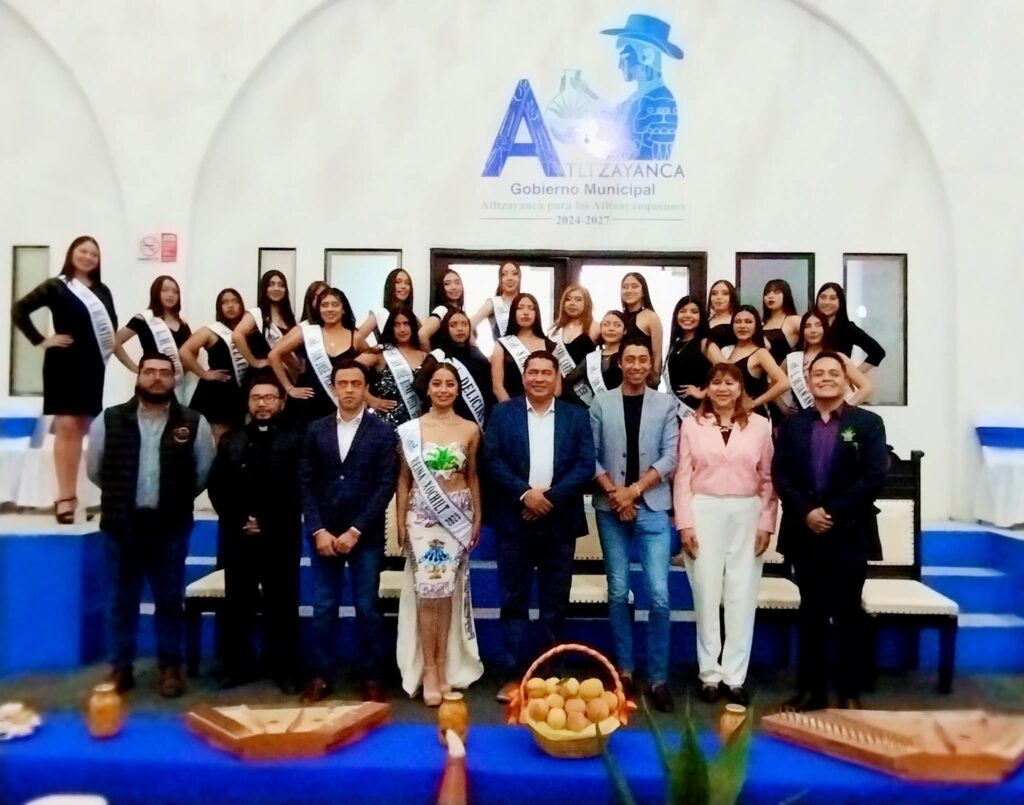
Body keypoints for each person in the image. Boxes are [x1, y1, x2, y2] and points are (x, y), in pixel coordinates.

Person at [85, 353, 216, 697]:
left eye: (164, 373)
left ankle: (170, 669)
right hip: (122, 524)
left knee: (169, 600)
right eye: (150, 371)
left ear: (174, 380)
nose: (156, 378)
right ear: (139, 376)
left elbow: (202, 472)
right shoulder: (109, 419)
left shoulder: (194, 422)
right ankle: (120, 668)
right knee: (120, 601)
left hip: (169, 527)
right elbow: (95, 470)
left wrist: (172, 500)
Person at [772, 351, 889, 711]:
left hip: (849, 532)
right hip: (805, 533)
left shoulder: (868, 423)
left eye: (833, 373)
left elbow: (874, 477)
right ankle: (811, 691)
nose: (825, 378)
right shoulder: (792, 425)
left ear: (846, 379)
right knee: (811, 613)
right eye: (818, 373)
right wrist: (807, 512)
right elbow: (781, 475)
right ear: (808, 381)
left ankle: (848, 692)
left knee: (848, 612)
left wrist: (833, 512)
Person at [484, 351, 595, 701]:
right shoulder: (503, 413)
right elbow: (492, 460)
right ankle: (514, 674)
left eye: (547, 373)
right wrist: (525, 495)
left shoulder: (576, 416)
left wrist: (548, 498)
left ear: (556, 378)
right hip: (514, 519)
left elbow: (585, 464)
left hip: (559, 521)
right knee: (513, 600)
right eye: (533, 372)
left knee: (554, 602)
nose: (539, 379)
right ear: (524, 377)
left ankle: (549, 676)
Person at [673, 363, 777, 706]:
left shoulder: (760, 425)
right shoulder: (692, 424)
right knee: (706, 593)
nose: (722, 388)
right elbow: (682, 476)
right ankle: (709, 674)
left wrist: (766, 523)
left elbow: (768, 478)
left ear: (740, 388)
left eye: (730, 382)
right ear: (707, 388)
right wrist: (685, 523)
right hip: (703, 510)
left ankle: (734, 676)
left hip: (747, 512)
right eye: (716, 382)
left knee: (741, 595)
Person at [298, 360, 398, 703]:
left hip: (365, 535)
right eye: (343, 383)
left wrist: (356, 530)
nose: (350, 389)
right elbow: (305, 482)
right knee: (324, 606)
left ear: (365, 388)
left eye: (357, 383)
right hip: (323, 534)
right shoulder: (315, 430)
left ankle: (372, 677)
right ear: (333, 388)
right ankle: (320, 675)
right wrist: (318, 529)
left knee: (367, 608)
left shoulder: (382, 431)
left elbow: (385, 485)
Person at [590, 338, 678, 711]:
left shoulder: (665, 404)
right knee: (618, 592)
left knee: (658, 595)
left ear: (650, 364)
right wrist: (616, 494)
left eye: (643, 359)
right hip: (610, 508)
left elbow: (671, 456)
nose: (637, 365)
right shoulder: (601, 402)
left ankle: (657, 678)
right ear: (620, 363)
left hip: (653, 507)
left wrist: (634, 492)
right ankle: (623, 671)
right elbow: (590, 456)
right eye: (630, 359)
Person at [11, 235, 118, 524]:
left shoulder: (102, 290)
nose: (88, 257)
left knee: (83, 428)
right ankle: (65, 497)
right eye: (83, 251)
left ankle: (82, 495)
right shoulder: (56, 286)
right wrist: (41, 340)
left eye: (94, 253)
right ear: (72, 253)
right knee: (67, 426)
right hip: (64, 364)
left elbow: (112, 326)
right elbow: (19, 310)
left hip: (92, 365)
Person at [396, 362, 485, 705]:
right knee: (428, 593)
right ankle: (429, 670)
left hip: (457, 519)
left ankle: (445, 667)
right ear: (427, 388)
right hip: (421, 517)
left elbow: (472, 475)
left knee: (447, 593)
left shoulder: (470, 430)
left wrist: (477, 517)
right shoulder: (410, 430)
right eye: (437, 383)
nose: (444, 389)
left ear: (458, 389)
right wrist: (400, 521)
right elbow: (403, 480)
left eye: (450, 384)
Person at [208, 372, 303, 692]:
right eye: (256, 398)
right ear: (248, 402)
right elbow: (217, 487)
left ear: (282, 402)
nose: (263, 404)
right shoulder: (231, 439)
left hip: (280, 536)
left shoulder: (296, 439)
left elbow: (297, 489)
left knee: (282, 604)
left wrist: (265, 521)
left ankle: (284, 668)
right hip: (238, 536)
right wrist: (241, 520)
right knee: (238, 603)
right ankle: (237, 666)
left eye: (269, 398)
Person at [269, 287, 366, 423]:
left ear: (343, 309)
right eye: (324, 305)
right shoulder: (307, 332)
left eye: (335, 304)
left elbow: (369, 364)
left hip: (338, 404)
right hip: (307, 404)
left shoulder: (355, 337)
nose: (329, 309)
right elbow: (274, 355)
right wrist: (289, 388)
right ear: (318, 310)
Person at [179, 288, 248, 445]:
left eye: (235, 301)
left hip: (240, 390)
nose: (230, 306)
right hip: (218, 392)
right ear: (219, 307)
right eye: (225, 302)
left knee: (238, 439)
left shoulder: (247, 330)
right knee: (218, 440)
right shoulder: (211, 331)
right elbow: (184, 352)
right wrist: (204, 373)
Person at [113, 276, 192, 395]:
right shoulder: (144, 319)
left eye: (175, 292)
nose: (171, 295)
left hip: (175, 382)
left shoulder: (183, 324)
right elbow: (115, 342)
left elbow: (191, 352)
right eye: (165, 290)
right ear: (156, 292)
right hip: (150, 381)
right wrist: (134, 368)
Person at [417, 309, 494, 428]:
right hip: (449, 422)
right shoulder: (438, 356)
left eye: (464, 324)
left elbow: (489, 389)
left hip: (480, 422)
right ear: (445, 328)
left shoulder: (477, 354)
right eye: (453, 325)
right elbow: (419, 385)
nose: (460, 329)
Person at [785, 311, 874, 412]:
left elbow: (866, 387)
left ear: (826, 328)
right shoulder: (793, 358)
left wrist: (843, 411)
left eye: (819, 325)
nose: (813, 330)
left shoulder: (838, 357)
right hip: (803, 417)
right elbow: (775, 383)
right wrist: (785, 410)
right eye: (807, 326)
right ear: (802, 331)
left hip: (833, 419)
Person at [358, 306, 426, 429]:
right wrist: (369, 398)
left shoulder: (424, 356)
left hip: (415, 426)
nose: (402, 329)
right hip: (384, 426)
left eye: (406, 324)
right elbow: (347, 370)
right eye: (396, 325)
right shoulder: (381, 352)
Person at [723, 305, 790, 420]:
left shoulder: (760, 353)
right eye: (738, 322)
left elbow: (784, 383)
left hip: (752, 417)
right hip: (727, 415)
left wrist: (754, 403)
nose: (742, 326)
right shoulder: (725, 350)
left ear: (756, 326)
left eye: (748, 322)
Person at [664, 295, 725, 415]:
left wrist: (703, 392)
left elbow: (729, 371)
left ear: (701, 317)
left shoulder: (704, 343)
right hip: (675, 412)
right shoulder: (674, 345)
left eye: (694, 312)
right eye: (683, 311)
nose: (688, 315)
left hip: (699, 411)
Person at [490, 293, 557, 402]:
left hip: (545, 408)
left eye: (531, 308)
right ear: (513, 312)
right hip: (511, 407)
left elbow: (557, 387)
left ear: (536, 313)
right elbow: (498, 388)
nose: (526, 312)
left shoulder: (550, 346)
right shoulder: (501, 345)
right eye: (520, 308)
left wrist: (543, 408)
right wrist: (512, 409)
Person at [232, 270, 298, 370]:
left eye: (281, 285)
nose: (276, 288)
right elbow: (237, 336)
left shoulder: (289, 319)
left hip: (285, 374)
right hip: (264, 374)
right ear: (264, 288)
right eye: (271, 284)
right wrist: (254, 362)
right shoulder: (256, 314)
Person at [815, 282, 886, 370]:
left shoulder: (848, 328)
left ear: (840, 302)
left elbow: (878, 352)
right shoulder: (809, 325)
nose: (827, 302)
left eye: (833, 298)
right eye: (823, 297)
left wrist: (854, 375)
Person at [562, 310, 626, 406]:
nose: (611, 329)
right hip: (596, 411)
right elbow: (567, 382)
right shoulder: (591, 358)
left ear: (625, 330)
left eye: (617, 325)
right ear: (600, 329)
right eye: (606, 324)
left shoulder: (629, 357)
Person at [548, 284, 599, 391]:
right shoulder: (554, 329)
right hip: (557, 388)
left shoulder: (595, 327)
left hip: (584, 390)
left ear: (587, 303)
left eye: (578, 299)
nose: (572, 303)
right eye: (568, 299)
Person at [356, 267, 414, 346]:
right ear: (390, 286)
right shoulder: (381, 313)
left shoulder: (413, 318)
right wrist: (372, 351)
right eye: (398, 282)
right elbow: (357, 339)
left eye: (407, 283)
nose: (403, 286)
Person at [620, 272, 663, 378]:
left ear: (643, 291)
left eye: (634, 286)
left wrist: (654, 379)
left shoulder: (651, 317)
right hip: (620, 376)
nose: (629, 290)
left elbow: (657, 356)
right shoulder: (619, 318)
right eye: (625, 287)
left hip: (643, 377)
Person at [470, 260, 522, 342]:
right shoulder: (494, 303)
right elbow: (469, 326)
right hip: (501, 349)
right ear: (500, 279)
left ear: (519, 278)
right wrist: (474, 346)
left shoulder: (526, 303)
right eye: (504, 274)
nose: (510, 278)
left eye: (514, 274)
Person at [419, 268, 466, 349]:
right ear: (441, 288)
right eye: (447, 284)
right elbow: (422, 335)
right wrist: (431, 356)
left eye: (457, 283)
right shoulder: (442, 310)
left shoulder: (460, 311)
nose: (454, 287)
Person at [761, 279, 802, 366]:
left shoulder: (794, 320)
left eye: (777, 292)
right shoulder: (760, 324)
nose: (770, 296)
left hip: (785, 371)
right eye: (767, 293)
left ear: (786, 296)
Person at [706, 279, 738, 349]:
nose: (719, 297)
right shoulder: (705, 321)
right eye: (714, 293)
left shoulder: (738, 320)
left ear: (732, 297)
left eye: (725, 293)